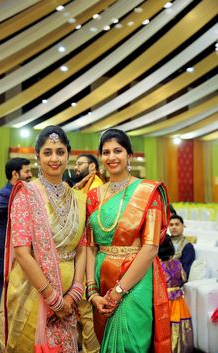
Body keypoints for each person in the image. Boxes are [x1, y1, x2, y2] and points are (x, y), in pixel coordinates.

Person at [0, 126, 87, 353]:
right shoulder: (25, 194)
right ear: (38, 156)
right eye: (47, 152)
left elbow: (83, 247)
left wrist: (75, 291)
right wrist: (53, 298)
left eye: (59, 151)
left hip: (69, 295)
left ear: (68, 154)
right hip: (32, 291)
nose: (54, 158)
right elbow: (22, 252)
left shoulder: (79, 198)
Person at [86, 128, 171, 353]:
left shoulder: (147, 192)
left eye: (118, 150)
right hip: (101, 276)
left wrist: (118, 291)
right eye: (105, 152)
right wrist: (92, 291)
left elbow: (151, 248)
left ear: (129, 155)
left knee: (130, 343)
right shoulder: (94, 196)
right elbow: (89, 247)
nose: (111, 157)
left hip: (135, 279)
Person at [0, 157, 32, 317]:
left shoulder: (26, 191)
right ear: (15, 174)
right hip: (5, 244)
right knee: (3, 276)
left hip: (23, 245)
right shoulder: (4, 195)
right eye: (27, 171)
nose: (30, 174)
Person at [74, 154, 104, 353]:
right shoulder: (86, 184)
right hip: (82, 250)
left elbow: (89, 225)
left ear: (92, 166)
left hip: (88, 252)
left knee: (87, 311)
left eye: (79, 164)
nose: (75, 167)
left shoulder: (95, 186)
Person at [158, 234, 193, 353]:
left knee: (163, 328)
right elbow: (184, 278)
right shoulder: (177, 264)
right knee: (178, 328)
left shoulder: (156, 266)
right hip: (178, 301)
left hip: (162, 300)